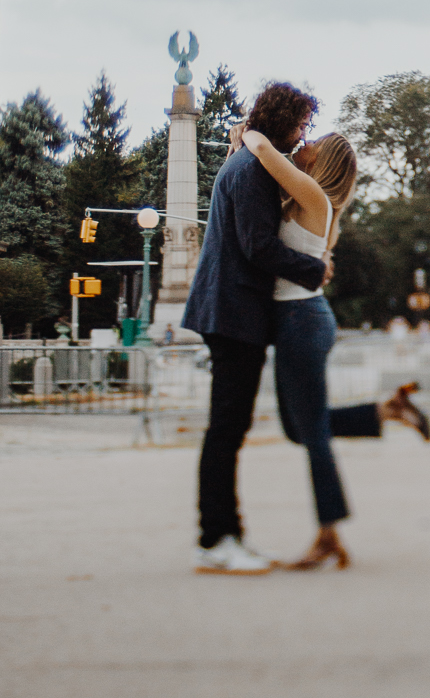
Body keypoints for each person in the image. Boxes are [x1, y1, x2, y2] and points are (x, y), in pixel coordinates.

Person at [241, 122, 430, 571]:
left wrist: (247, 132)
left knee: (313, 437)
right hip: (300, 321)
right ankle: (387, 411)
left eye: (315, 144)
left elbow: (266, 151)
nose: (304, 145)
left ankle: (329, 534)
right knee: (297, 428)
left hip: (301, 323)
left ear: (322, 162)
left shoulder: (314, 198)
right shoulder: (316, 202)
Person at [183, 80, 329, 575]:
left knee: (230, 428)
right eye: (301, 122)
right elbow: (257, 246)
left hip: (229, 310)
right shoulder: (252, 173)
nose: (303, 132)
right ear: (282, 119)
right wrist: (316, 269)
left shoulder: (249, 162)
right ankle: (216, 539)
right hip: (232, 311)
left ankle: (227, 535)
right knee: (226, 429)